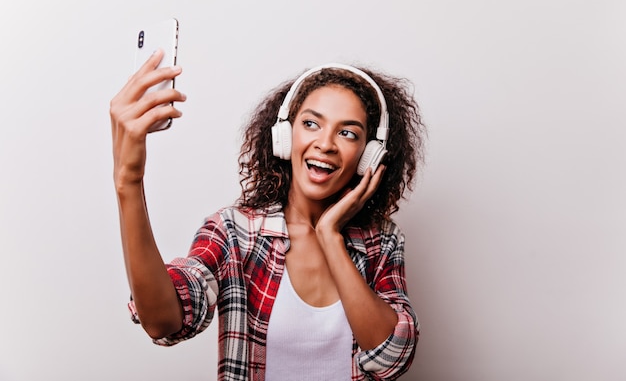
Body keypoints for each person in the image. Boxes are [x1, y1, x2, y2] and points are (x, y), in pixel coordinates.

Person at [110, 49, 425, 380]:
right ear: (285, 137)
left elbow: (391, 359)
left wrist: (330, 236)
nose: (326, 143)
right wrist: (128, 183)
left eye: (348, 133)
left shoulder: (383, 241)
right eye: (311, 124)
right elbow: (163, 321)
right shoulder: (234, 233)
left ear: (368, 156)